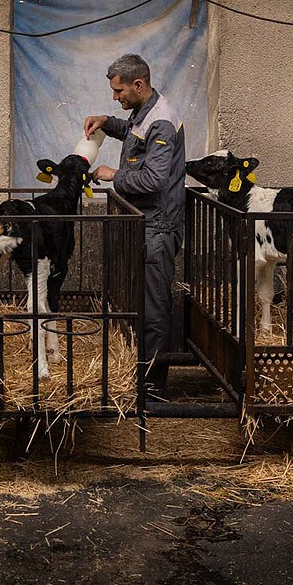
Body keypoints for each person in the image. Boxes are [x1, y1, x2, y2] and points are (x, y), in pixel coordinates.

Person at [83, 53, 186, 401]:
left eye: (119, 91)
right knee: (142, 300)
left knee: (154, 306)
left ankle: (153, 387)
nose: (115, 97)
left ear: (138, 85)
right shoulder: (145, 112)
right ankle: (140, 376)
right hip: (146, 222)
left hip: (158, 226)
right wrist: (107, 122)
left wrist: (114, 175)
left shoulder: (162, 121)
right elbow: (133, 134)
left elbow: (155, 179)